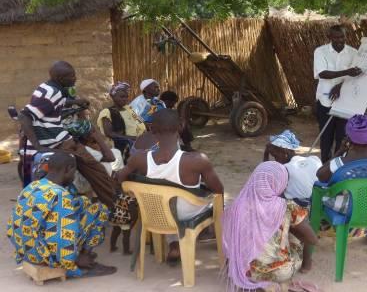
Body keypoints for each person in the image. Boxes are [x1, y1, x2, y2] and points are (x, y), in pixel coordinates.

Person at [117, 109, 224, 263]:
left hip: (155, 213)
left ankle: (174, 245)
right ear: (181, 126)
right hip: (186, 214)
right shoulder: (197, 160)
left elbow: (121, 178)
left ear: (151, 130)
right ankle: (215, 236)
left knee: (167, 204)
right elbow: (218, 190)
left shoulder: (138, 158)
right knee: (218, 202)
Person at [18, 61, 116, 208]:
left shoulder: (49, 87)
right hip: (57, 141)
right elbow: (24, 116)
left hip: (55, 138)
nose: (75, 79)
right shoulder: (52, 92)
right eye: (72, 76)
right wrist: (38, 146)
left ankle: (111, 202)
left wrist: (75, 101)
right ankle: (116, 205)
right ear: (61, 78)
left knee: (94, 168)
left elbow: (57, 102)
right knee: (96, 170)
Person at [6, 152, 116, 278]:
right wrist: (72, 262)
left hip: (23, 248)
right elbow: (60, 237)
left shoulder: (34, 185)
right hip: (40, 255)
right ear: (68, 169)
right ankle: (80, 262)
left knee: (88, 205)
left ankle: (81, 254)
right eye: (74, 172)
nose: (74, 176)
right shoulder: (61, 196)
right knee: (96, 214)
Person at [223, 162, 319, 292]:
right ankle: (275, 277)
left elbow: (229, 240)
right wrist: (290, 230)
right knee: (294, 234)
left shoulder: (237, 204)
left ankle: (257, 279)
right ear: (280, 183)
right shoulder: (287, 206)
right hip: (280, 272)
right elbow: (312, 240)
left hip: (243, 269)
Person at [263, 130, 322, 272]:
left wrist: (264, 155)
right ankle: (306, 261)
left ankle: (306, 261)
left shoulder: (284, 170)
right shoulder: (313, 159)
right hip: (320, 204)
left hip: (302, 208)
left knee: (274, 201)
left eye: (275, 156)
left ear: (284, 152)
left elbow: (265, 174)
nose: (275, 160)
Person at [313, 25, 363, 163]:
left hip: (346, 101)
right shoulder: (320, 51)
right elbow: (322, 73)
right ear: (329, 37)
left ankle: (338, 166)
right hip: (325, 100)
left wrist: (340, 86)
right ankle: (325, 165)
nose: (339, 40)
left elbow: (356, 76)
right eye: (336, 37)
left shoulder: (353, 53)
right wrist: (346, 72)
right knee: (326, 136)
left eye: (342, 37)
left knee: (342, 137)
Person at [97, 82, 146, 157]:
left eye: (126, 97)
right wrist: (132, 138)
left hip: (138, 144)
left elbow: (140, 122)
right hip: (122, 147)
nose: (125, 99)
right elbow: (109, 133)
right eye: (122, 97)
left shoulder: (129, 109)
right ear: (113, 96)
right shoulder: (107, 112)